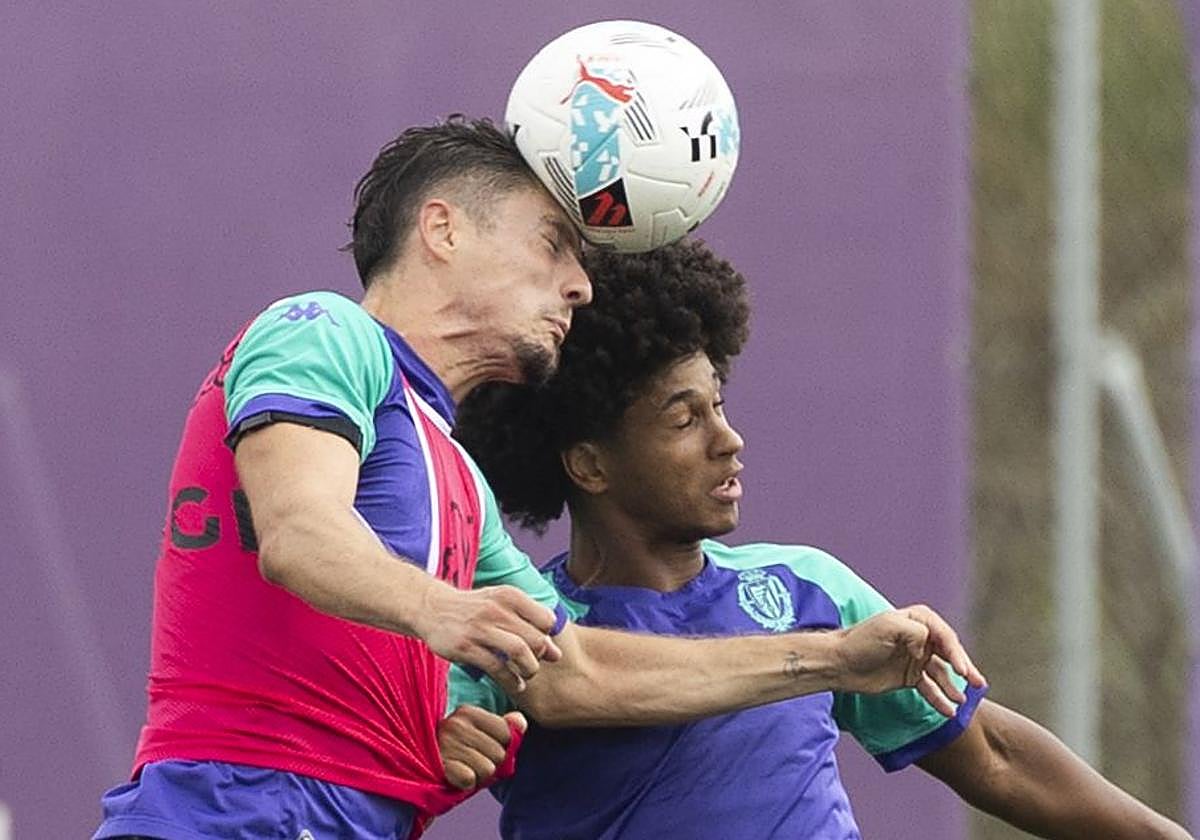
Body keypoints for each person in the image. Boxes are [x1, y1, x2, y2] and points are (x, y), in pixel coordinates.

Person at [92, 117, 984, 840]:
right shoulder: (323, 332)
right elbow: (298, 531)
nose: (579, 286)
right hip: (229, 811)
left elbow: (574, 672)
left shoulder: (457, 481)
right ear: (442, 229)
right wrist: (446, 613)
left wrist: (830, 659)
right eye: (554, 244)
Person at [446, 239, 1192, 839]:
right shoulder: (517, 630)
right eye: (685, 420)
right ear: (589, 464)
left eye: (720, 405)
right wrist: (443, 746)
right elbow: (397, 759)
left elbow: (993, 758)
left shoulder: (806, 589)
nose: (729, 440)